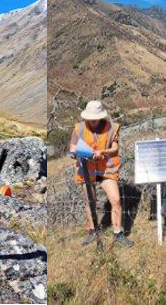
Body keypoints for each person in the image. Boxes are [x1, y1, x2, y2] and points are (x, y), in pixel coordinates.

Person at [69, 100, 133, 247]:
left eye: (94, 118)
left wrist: (102, 152)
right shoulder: (79, 128)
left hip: (106, 169)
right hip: (86, 169)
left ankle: (118, 233)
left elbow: (115, 148)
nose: (91, 121)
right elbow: (72, 147)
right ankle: (92, 230)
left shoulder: (112, 127)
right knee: (89, 201)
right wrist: (77, 154)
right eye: (89, 118)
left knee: (116, 200)